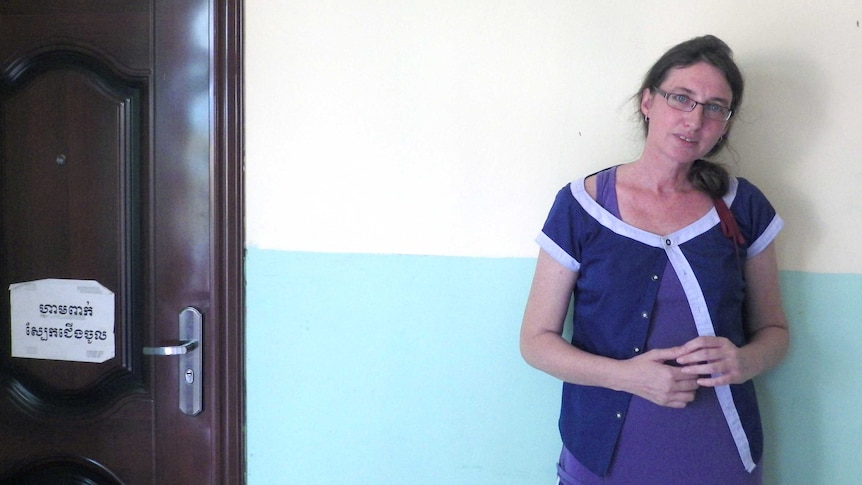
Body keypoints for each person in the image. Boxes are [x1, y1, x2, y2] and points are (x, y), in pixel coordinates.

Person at [519, 35, 789, 484]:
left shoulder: (744, 207)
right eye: (681, 98)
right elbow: (536, 341)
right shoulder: (582, 206)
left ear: (725, 123)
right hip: (602, 450)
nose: (695, 118)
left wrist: (746, 361)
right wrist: (627, 377)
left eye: (715, 107)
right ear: (648, 100)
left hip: (720, 449)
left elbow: (774, 332)